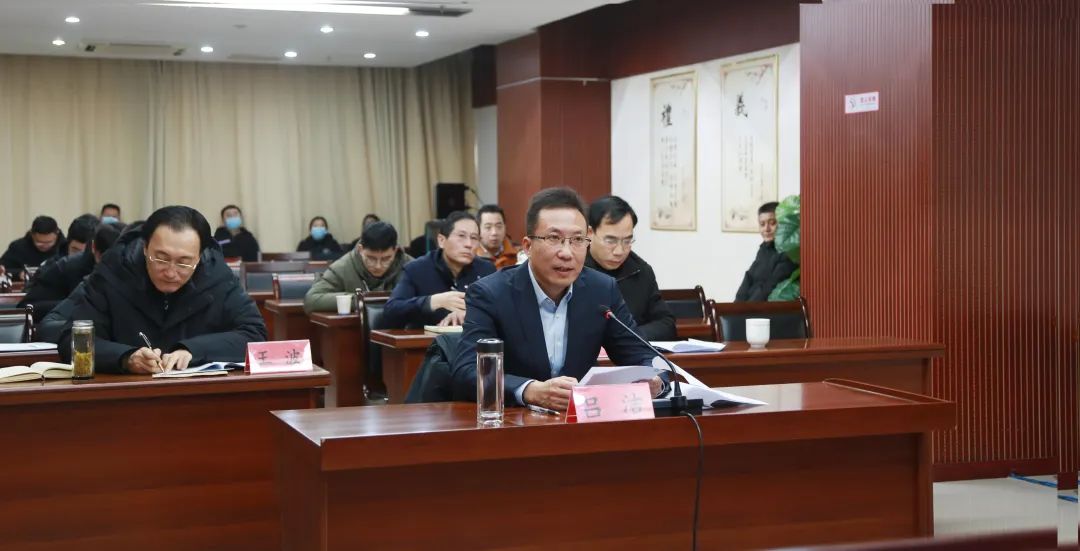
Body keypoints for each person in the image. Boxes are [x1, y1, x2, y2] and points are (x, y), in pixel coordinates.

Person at [450, 188, 662, 411]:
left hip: (579, 420)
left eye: (577, 240)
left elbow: (642, 355)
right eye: (554, 238)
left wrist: (654, 379)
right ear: (528, 246)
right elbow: (466, 372)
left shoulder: (601, 290)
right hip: (513, 421)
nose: (567, 253)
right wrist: (530, 390)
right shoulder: (491, 294)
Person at [58, 206, 267, 373]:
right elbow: (72, 340)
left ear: (200, 256)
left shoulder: (217, 276)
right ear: (145, 247)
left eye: (184, 262)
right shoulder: (113, 272)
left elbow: (254, 334)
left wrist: (193, 350)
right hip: (124, 395)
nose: (170, 272)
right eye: (161, 258)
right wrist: (126, 357)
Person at [584, 195, 675, 340]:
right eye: (610, 241)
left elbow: (666, 323)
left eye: (627, 241)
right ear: (590, 233)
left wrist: (628, 337)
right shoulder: (573, 269)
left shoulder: (641, 271)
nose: (619, 251)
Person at [383, 211, 495, 329]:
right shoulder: (417, 269)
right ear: (441, 240)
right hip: (426, 339)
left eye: (474, 238)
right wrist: (432, 302)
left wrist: (471, 314)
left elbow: (501, 309)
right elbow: (391, 311)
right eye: (461, 236)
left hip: (473, 339)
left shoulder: (486, 271)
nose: (469, 244)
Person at [304, 221, 412, 314]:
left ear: (395, 250)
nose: (378, 266)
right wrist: (360, 300)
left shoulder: (410, 266)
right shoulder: (343, 267)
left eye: (386, 259)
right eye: (371, 258)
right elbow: (312, 300)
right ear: (361, 249)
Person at [20, 223, 122, 321]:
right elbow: (26, 307)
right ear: (94, 249)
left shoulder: (127, 268)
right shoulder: (66, 267)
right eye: (106, 258)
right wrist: (72, 305)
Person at [735, 201, 797, 302]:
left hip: (767, 307)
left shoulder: (789, 251)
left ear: (783, 223)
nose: (766, 229)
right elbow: (749, 277)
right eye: (762, 224)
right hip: (750, 306)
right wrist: (735, 306)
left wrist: (746, 308)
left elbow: (771, 286)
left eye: (772, 223)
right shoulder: (763, 249)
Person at [1, 215, 65, 279]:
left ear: (57, 234)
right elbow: (3, 269)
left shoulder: (65, 247)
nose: (45, 246)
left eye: (49, 242)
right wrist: (19, 273)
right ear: (32, 235)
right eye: (39, 242)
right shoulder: (18, 247)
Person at [474, 204, 519, 269]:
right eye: (488, 227)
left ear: (505, 227)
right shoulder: (471, 256)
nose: (494, 232)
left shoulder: (518, 254)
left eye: (499, 226)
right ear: (478, 229)